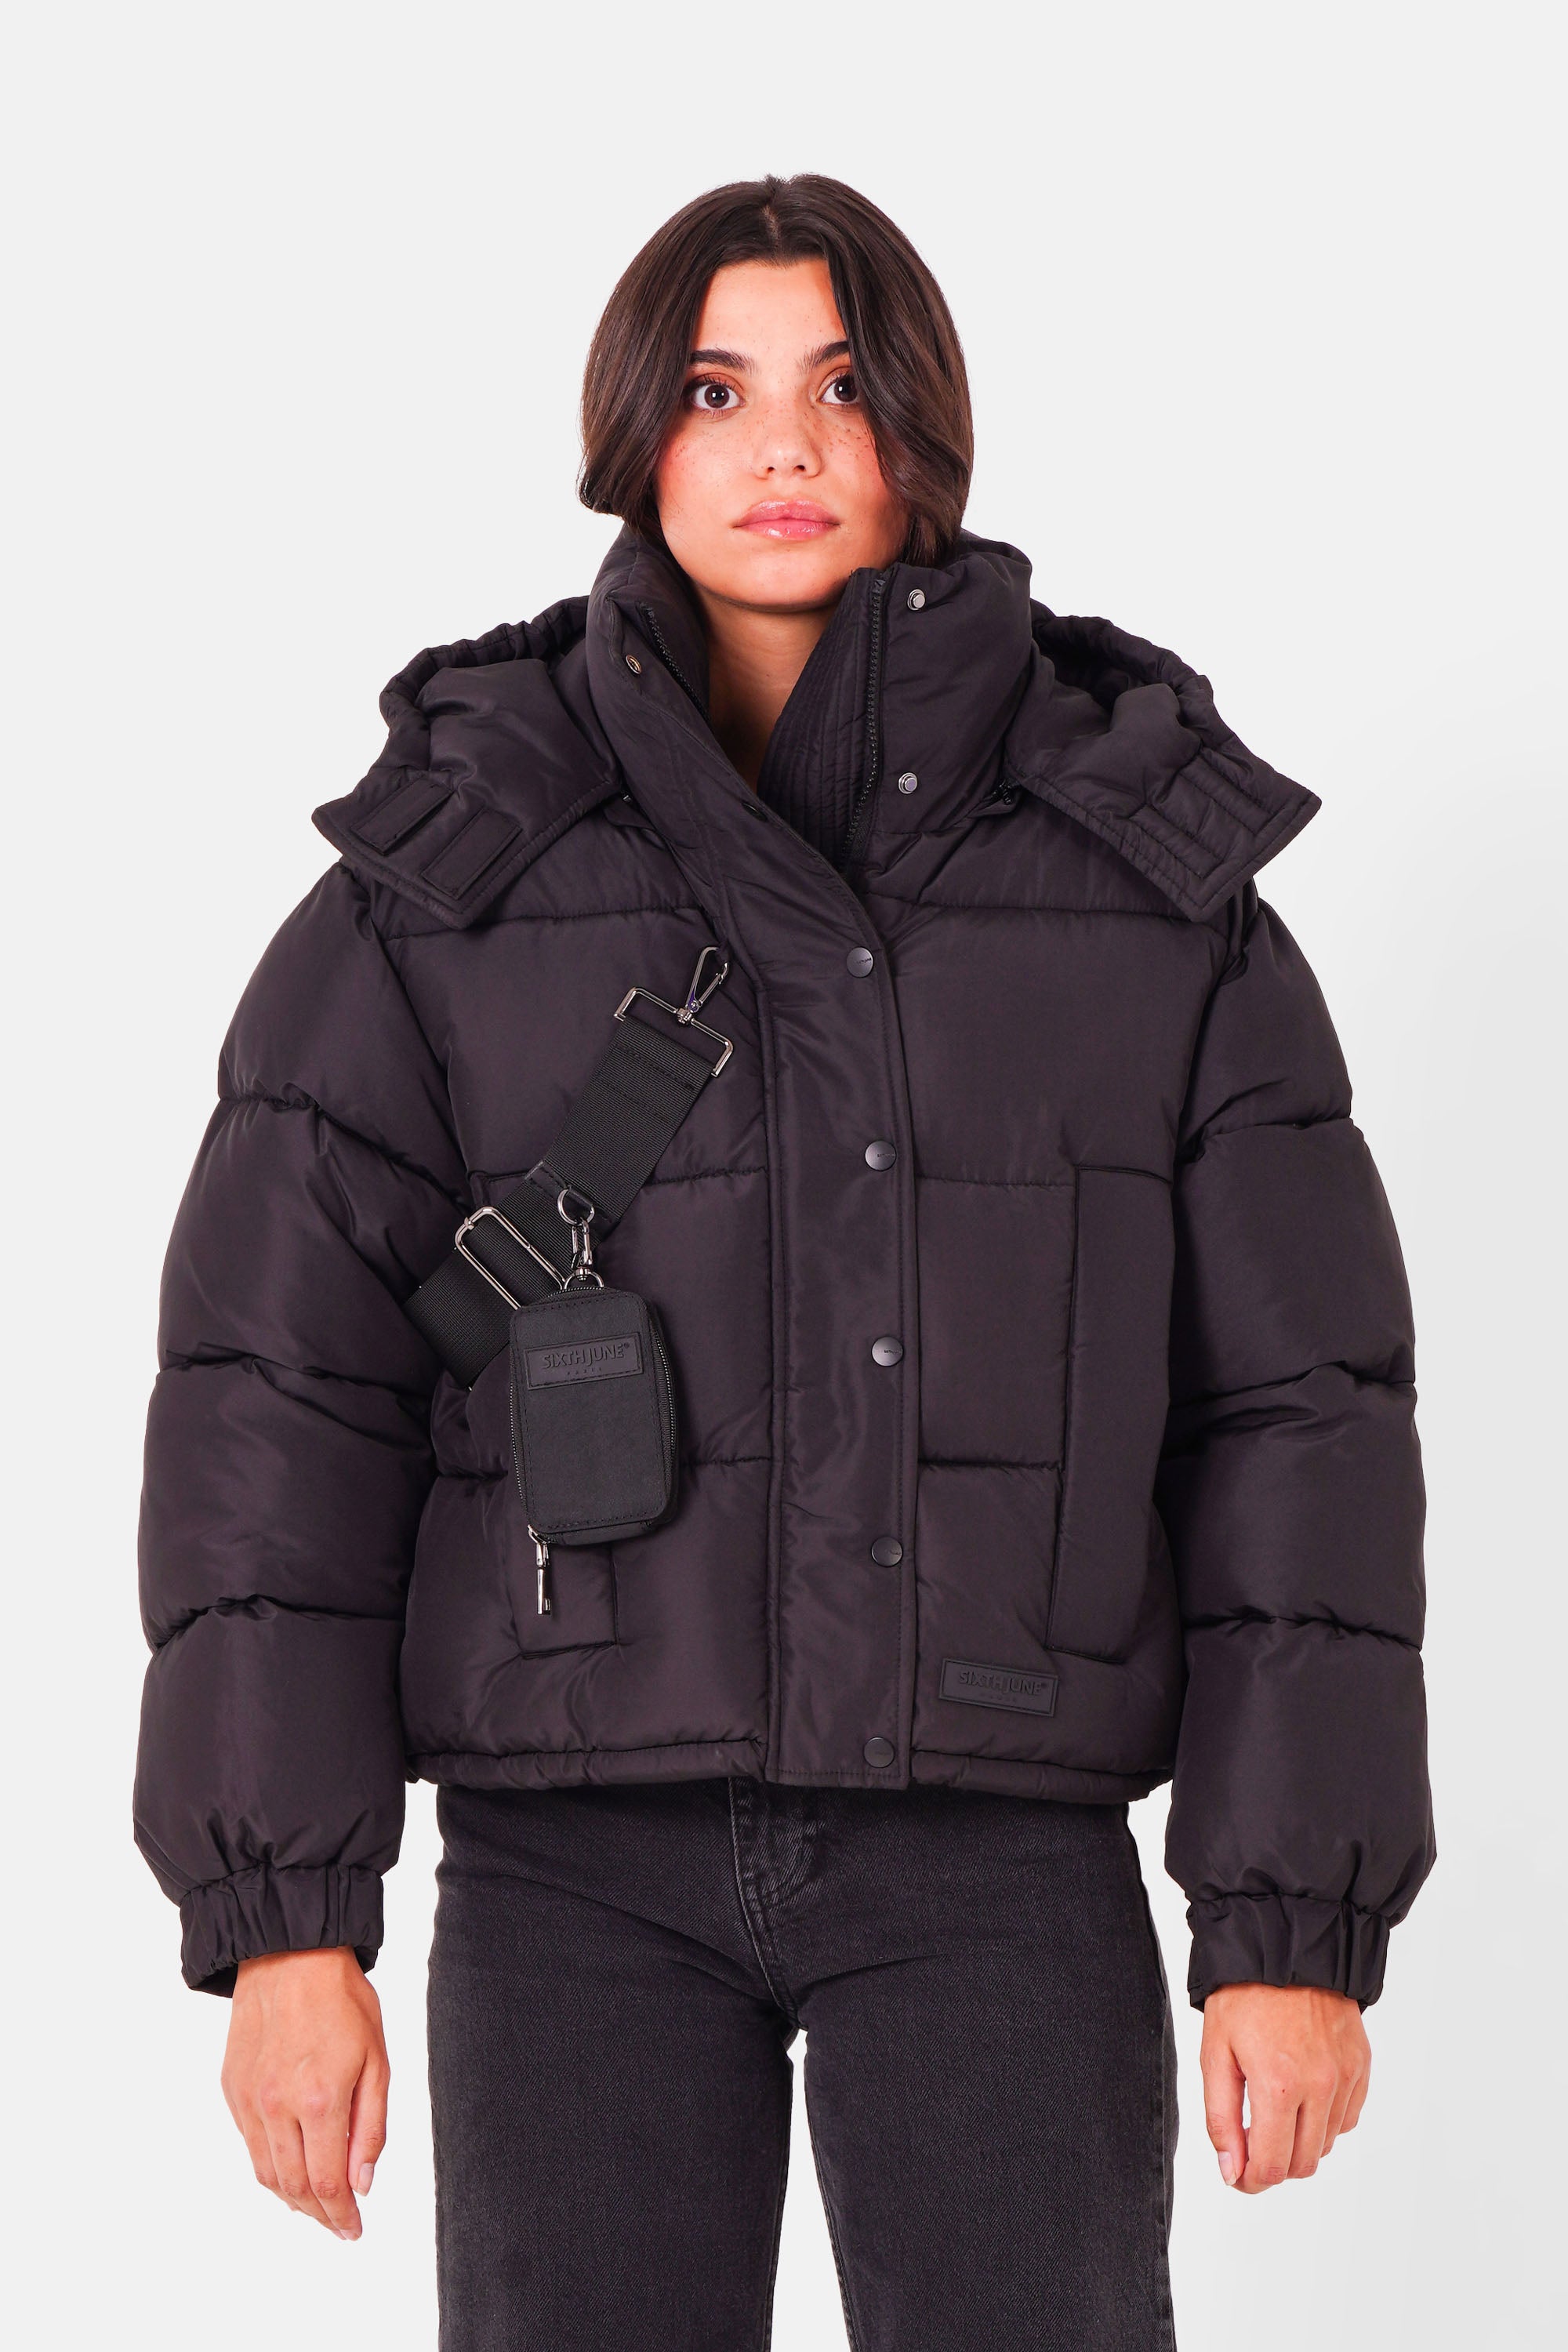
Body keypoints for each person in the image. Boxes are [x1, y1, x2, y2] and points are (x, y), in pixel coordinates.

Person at [133, 175, 1433, 2352]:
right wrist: (287, 1921)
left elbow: (1302, 1422)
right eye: (720, 391)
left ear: (922, 433)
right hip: (574, 1856)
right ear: (638, 439)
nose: (786, 449)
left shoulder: (1144, 877)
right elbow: (275, 1399)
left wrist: (1288, 1921)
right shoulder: (454, 869)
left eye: (842, 388)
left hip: (997, 1848)